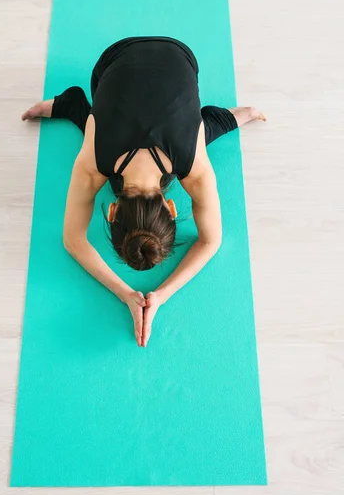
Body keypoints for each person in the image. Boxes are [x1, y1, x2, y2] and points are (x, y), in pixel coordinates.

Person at [22, 36, 266, 348]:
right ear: (112, 212)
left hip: (177, 56)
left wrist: (147, 295)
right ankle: (70, 105)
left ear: (173, 209)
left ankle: (230, 116)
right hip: (120, 56)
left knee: (190, 143)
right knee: (126, 156)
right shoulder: (93, 162)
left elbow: (210, 240)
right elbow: (72, 240)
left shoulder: (193, 166)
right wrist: (143, 295)